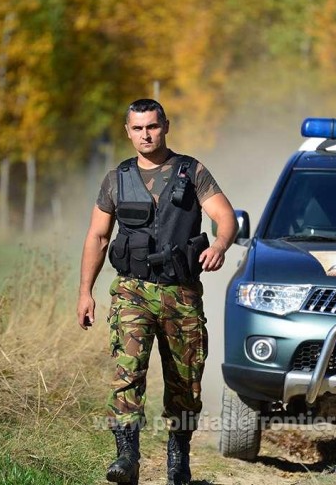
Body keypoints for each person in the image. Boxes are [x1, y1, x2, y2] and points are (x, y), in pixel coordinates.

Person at [77, 99, 237, 485]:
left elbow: (225, 217)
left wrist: (219, 246)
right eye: (138, 128)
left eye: (152, 126)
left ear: (165, 126)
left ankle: (178, 461)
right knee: (127, 372)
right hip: (132, 291)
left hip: (181, 294)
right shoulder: (116, 179)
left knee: (185, 382)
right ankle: (126, 457)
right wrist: (86, 292)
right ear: (127, 131)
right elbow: (98, 237)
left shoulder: (192, 171)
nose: (146, 135)